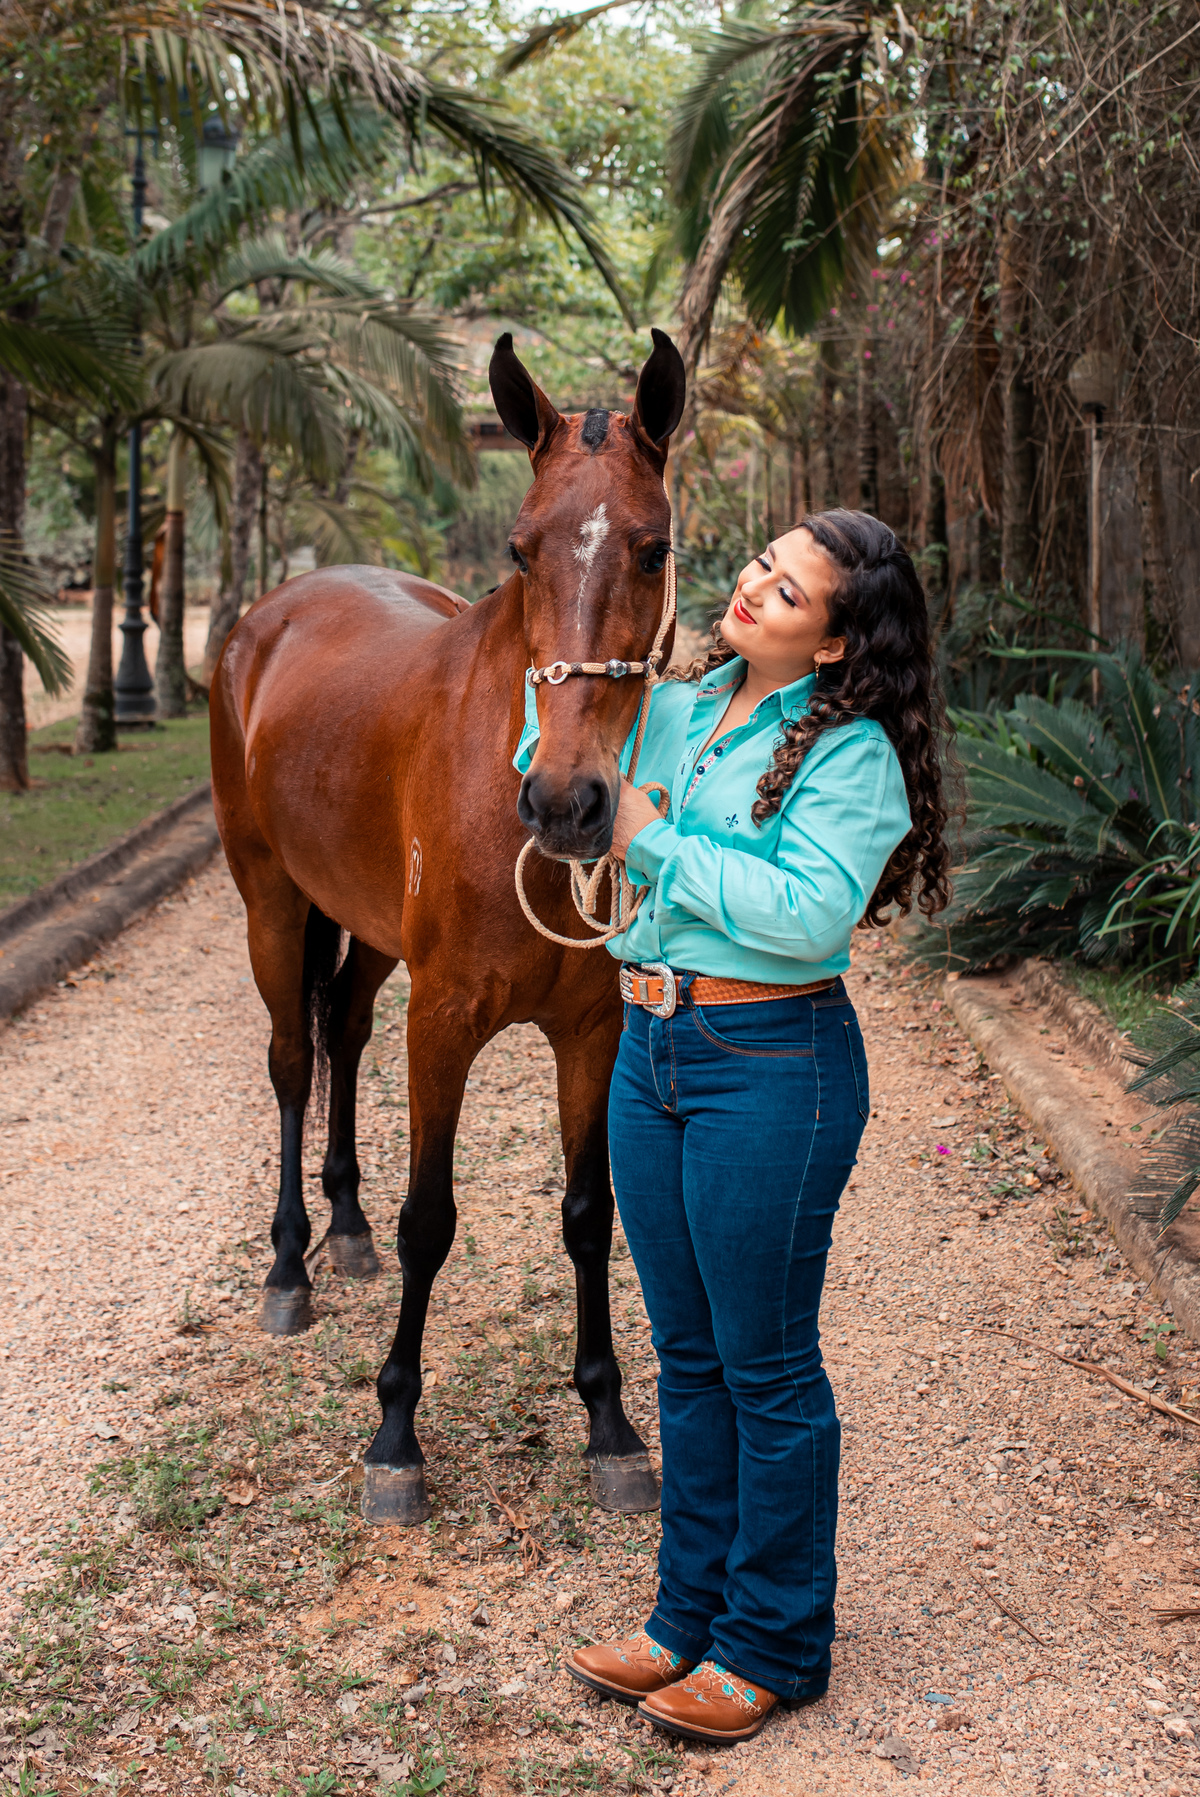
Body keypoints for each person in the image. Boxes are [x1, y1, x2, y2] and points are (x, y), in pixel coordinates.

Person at [554, 509, 953, 1746]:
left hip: (769, 1060)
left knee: (766, 1363)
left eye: (789, 593)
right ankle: (687, 1621)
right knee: (688, 1354)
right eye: (761, 567)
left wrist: (653, 837)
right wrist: (574, 667)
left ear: (834, 644)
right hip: (651, 1047)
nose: (755, 588)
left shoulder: (853, 757)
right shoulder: (673, 705)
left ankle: (773, 1644)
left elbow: (803, 914)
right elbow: (555, 766)